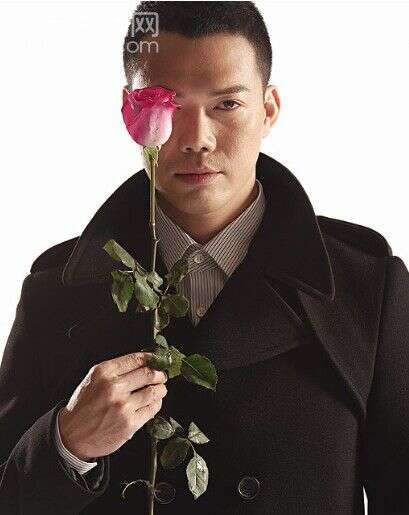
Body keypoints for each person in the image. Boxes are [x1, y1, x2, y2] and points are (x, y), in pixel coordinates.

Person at [1, 2, 408, 514]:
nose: (196, 139)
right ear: (130, 113)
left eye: (227, 104)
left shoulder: (366, 285)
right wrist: (67, 446)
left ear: (269, 109)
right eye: (165, 103)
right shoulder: (57, 291)